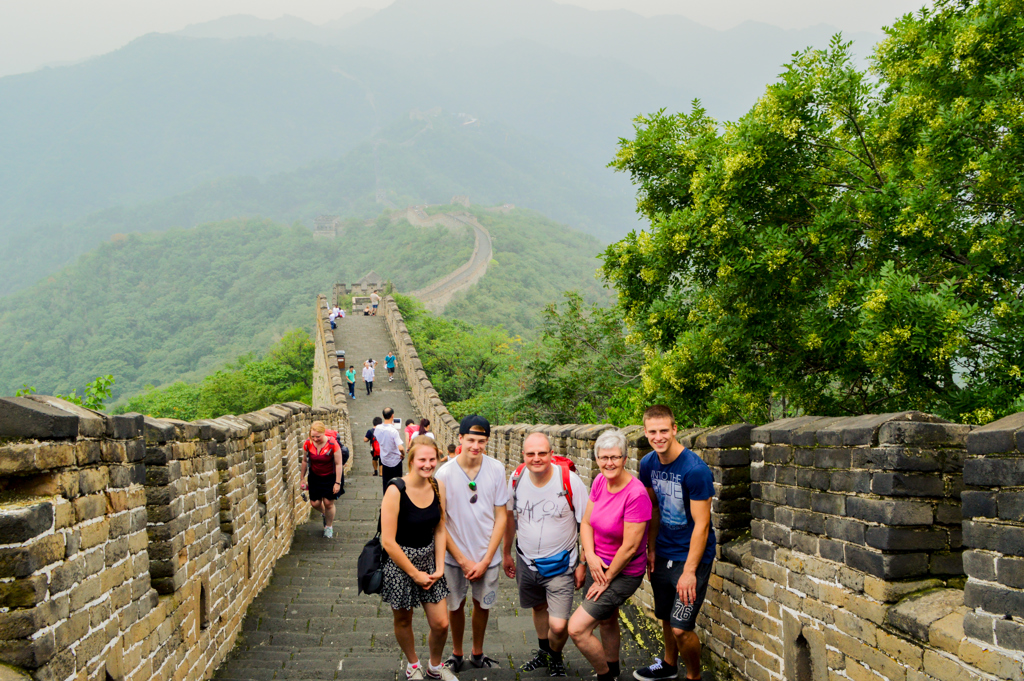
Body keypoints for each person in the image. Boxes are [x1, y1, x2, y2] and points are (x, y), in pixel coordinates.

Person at [633, 406, 715, 681]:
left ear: (675, 429)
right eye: (653, 432)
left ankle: (694, 676)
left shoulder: (694, 470)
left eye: (664, 430)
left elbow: (702, 525)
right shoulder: (648, 464)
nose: (659, 437)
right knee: (666, 616)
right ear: (645, 432)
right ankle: (668, 665)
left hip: (691, 555)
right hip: (664, 549)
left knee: (681, 627)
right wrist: (651, 548)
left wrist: (690, 571)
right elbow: (653, 508)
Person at [568, 429, 651, 681]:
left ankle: (604, 676)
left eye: (615, 457)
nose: (609, 463)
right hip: (597, 565)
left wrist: (605, 578)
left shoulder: (636, 494)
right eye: (603, 458)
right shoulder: (600, 482)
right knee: (606, 620)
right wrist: (588, 558)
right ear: (596, 459)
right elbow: (587, 522)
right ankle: (613, 671)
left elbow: (629, 547)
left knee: (577, 629)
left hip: (623, 571)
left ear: (625, 458)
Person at [502, 433, 588, 676]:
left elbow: (587, 524)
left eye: (542, 453)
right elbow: (510, 518)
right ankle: (547, 655)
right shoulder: (516, 478)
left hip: (561, 565)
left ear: (552, 454)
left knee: (559, 626)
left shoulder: (570, 481)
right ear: (523, 456)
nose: (536, 458)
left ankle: (554, 652)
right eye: (531, 454)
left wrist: (583, 562)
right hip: (526, 561)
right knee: (539, 608)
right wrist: (506, 553)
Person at [434, 415, 508, 672]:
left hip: (486, 554)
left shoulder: (497, 469)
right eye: (471, 440)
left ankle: (477, 652)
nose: (476, 446)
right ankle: (456, 653)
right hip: (455, 557)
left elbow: (501, 515)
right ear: (460, 439)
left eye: (482, 441)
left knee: (482, 604)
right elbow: (440, 522)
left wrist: (487, 558)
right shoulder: (444, 474)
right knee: (455, 605)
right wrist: (464, 560)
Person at [380, 437, 457, 680]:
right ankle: (413, 665)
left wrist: (440, 566)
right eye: (422, 459)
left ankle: (435, 666)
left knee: (441, 623)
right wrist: (414, 574)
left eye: (432, 459)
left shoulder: (438, 486)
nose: (428, 464)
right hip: (401, 563)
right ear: (411, 460)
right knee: (404, 619)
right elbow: (388, 541)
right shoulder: (395, 490)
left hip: (429, 562)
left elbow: (440, 528)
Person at [300, 421, 346, 539]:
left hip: (330, 476)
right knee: (314, 503)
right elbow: (305, 461)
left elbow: (339, 464)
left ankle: (328, 527)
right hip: (315, 476)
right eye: (313, 436)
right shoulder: (308, 444)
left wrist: (337, 482)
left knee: (328, 503)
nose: (315, 439)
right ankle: (325, 514)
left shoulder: (332, 444)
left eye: (318, 436)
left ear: (323, 433)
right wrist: (302, 479)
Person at [376, 407, 406, 492]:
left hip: (384, 460)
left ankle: (386, 500)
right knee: (397, 483)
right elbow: (400, 447)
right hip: (395, 461)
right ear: (392, 416)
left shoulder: (378, 428)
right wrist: (403, 454)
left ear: (383, 416)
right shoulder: (393, 431)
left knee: (386, 482)